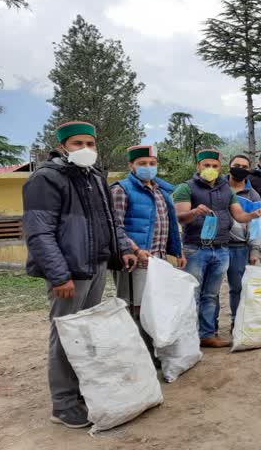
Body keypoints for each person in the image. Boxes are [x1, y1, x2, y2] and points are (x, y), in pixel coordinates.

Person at [23, 121, 136, 429]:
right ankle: (62, 404)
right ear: (62, 147)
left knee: (85, 334)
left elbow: (112, 220)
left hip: (96, 265)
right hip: (71, 272)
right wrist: (59, 276)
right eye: (78, 144)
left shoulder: (95, 177)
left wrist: (122, 248)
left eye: (91, 143)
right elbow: (39, 232)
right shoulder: (46, 179)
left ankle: (81, 392)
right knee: (64, 335)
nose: (86, 150)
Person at [173, 149, 261, 348]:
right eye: (206, 165)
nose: (211, 169)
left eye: (214, 166)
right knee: (192, 295)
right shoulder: (185, 188)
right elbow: (179, 217)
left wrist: (254, 215)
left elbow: (239, 215)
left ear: (220, 167)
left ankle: (207, 334)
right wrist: (195, 212)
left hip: (221, 249)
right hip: (196, 248)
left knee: (210, 295)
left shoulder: (226, 190)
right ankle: (188, 337)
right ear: (198, 166)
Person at [110, 145, 186, 358]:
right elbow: (114, 227)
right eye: (142, 163)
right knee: (136, 309)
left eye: (152, 164)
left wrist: (177, 252)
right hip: (136, 261)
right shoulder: (121, 189)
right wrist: (134, 249)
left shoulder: (161, 191)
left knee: (156, 308)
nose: (148, 167)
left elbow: (169, 224)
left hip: (159, 260)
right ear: (131, 166)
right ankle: (139, 357)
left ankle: (155, 354)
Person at [221, 154, 261, 328]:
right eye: (237, 165)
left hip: (239, 248)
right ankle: (208, 330)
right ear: (229, 166)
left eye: (245, 167)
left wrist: (254, 250)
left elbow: (255, 225)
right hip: (216, 245)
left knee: (237, 288)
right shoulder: (218, 188)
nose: (240, 169)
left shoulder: (253, 195)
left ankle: (237, 325)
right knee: (210, 291)